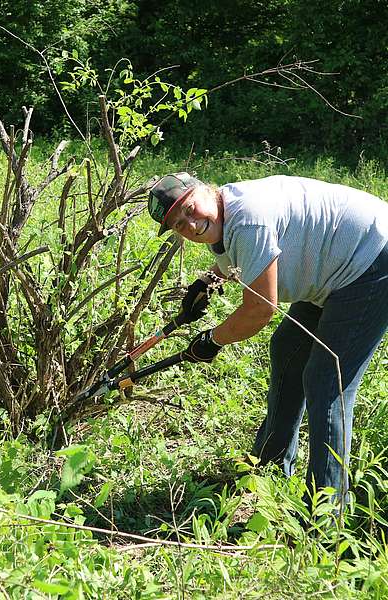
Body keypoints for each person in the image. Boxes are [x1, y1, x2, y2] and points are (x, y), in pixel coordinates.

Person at [147, 172, 388, 508]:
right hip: (335, 270)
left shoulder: (247, 220)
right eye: (178, 224)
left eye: (188, 208)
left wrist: (212, 340)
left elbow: (260, 310)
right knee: (288, 349)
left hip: (371, 260)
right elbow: (239, 255)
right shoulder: (226, 214)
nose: (189, 224)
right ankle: (268, 466)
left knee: (327, 382)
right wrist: (207, 282)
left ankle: (325, 517)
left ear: (205, 189)